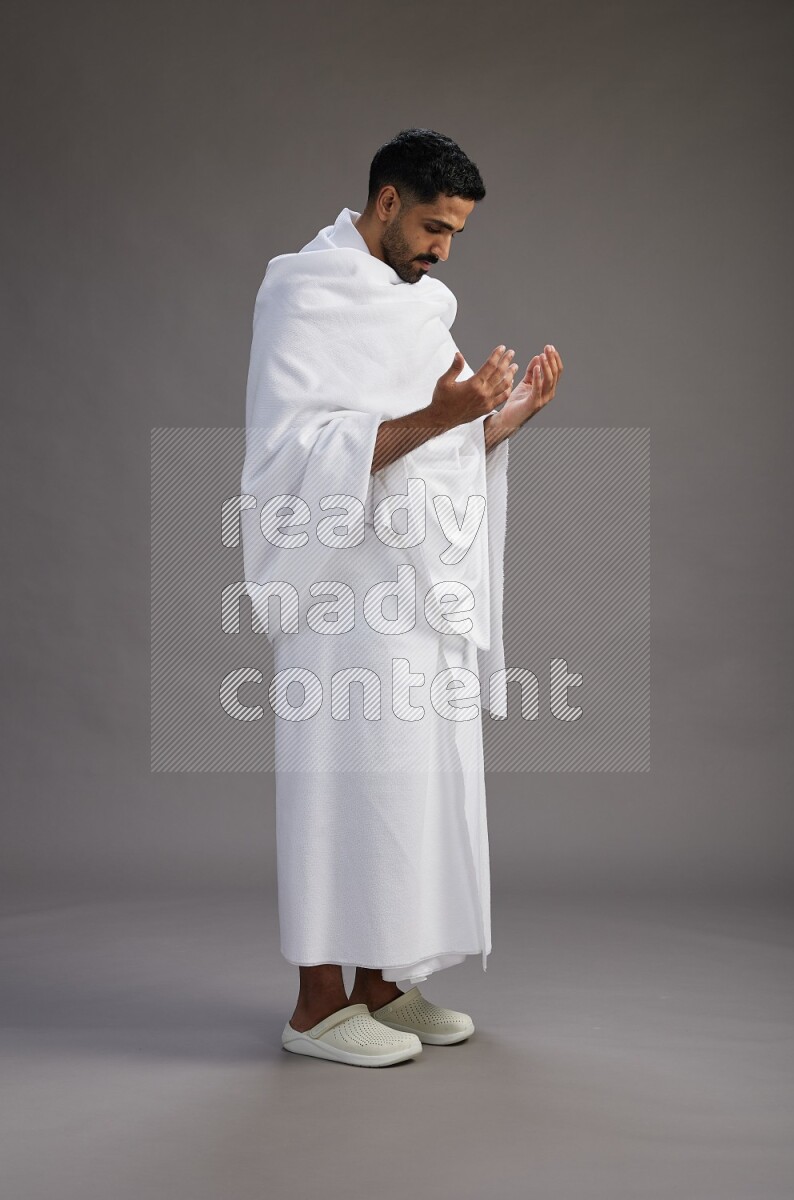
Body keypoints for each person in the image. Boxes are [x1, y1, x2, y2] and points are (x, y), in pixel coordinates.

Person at [240, 128, 563, 1067]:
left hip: (415, 595)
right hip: (341, 600)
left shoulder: (418, 306)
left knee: (407, 783)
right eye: (431, 226)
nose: (441, 250)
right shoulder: (302, 291)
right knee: (341, 782)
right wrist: (445, 415)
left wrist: (499, 423)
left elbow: (437, 451)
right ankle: (315, 1007)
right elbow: (290, 460)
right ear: (384, 203)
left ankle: (383, 985)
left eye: (456, 233)